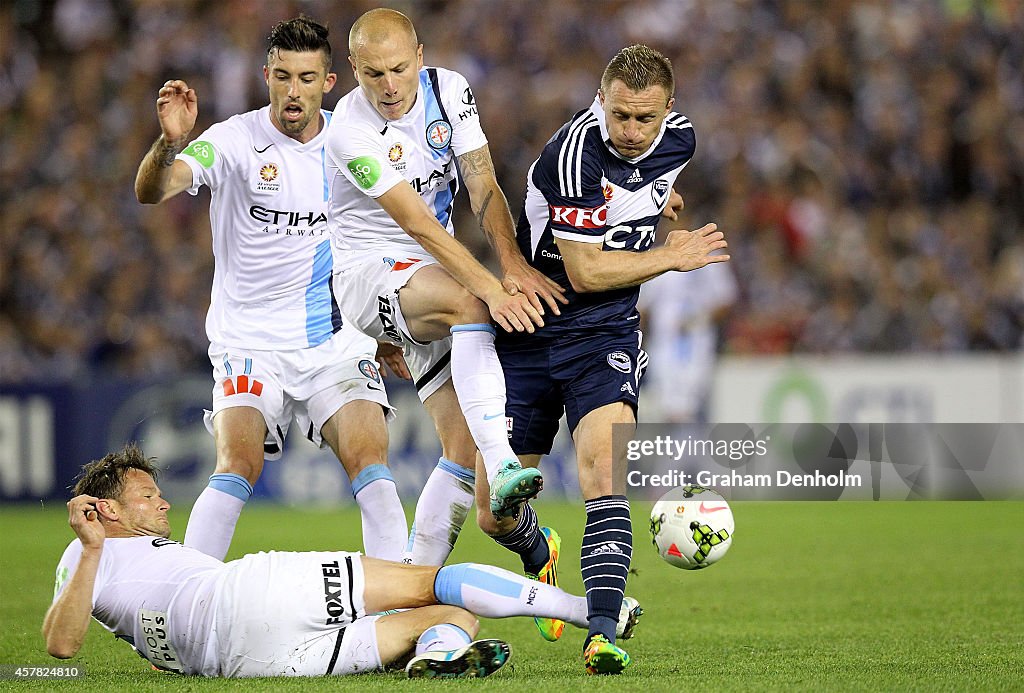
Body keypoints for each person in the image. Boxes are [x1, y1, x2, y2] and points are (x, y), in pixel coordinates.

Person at [471, 45, 730, 674]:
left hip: (605, 331)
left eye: (646, 118)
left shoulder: (680, 141)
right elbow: (584, 272)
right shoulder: (574, 154)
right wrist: (673, 255)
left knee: (603, 474)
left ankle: (603, 632)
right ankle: (540, 550)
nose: (633, 133)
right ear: (600, 99)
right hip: (531, 326)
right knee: (492, 514)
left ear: (670, 110)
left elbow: (645, 184)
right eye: (621, 117)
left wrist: (653, 204)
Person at [133, 17, 408, 562]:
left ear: (329, 83)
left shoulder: (354, 144)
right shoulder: (233, 140)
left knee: (370, 463)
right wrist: (170, 144)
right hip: (250, 341)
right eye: (282, 76)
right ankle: (188, 602)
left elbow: (379, 240)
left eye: (307, 78)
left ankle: (395, 608)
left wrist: (381, 326)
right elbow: (154, 190)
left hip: (335, 340)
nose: (293, 91)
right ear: (266, 76)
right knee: (239, 464)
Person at [42, 444, 642, 678]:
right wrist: (92, 548)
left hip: (250, 663)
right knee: (437, 584)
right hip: (251, 594)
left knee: (453, 619)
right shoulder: (89, 551)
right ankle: (594, 610)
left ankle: (436, 660)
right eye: (147, 496)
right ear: (107, 512)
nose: (163, 501)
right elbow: (60, 648)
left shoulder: (137, 560)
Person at [325, 8, 567, 562]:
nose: (388, 86)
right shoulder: (348, 131)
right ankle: (505, 460)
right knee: (472, 304)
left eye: (398, 69)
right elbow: (419, 224)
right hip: (370, 275)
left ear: (420, 57)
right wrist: (490, 289)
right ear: (354, 69)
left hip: (429, 277)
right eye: (372, 74)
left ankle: (502, 555)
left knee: (460, 451)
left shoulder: (449, 91)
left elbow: (482, 184)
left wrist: (510, 264)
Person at [638, 259, 737, 423]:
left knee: (694, 405)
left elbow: (727, 299)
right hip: (664, 345)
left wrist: (697, 320)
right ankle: (671, 445)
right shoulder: (659, 256)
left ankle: (694, 445)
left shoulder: (711, 258)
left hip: (698, 345)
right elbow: (643, 307)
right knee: (665, 407)